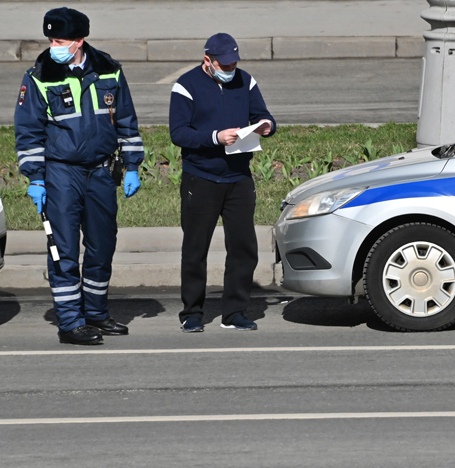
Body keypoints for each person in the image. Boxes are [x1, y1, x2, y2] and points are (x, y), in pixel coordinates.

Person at [14, 7, 144, 345]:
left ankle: (96, 314)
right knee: (64, 249)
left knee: (102, 246)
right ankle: (70, 321)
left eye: (59, 40)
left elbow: (126, 121)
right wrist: (36, 177)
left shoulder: (109, 71)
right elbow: (28, 130)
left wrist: (131, 166)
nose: (53, 45)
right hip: (61, 174)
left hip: (101, 172)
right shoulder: (40, 76)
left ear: (79, 41)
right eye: (51, 39)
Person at [169, 33, 276, 333]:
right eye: (224, 65)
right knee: (195, 248)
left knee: (244, 247)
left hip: (239, 178)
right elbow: (178, 133)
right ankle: (192, 311)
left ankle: (235, 311)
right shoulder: (185, 86)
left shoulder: (246, 81)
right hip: (200, 178)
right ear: (208, 60)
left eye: (234, 64)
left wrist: (267, 125)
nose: (230, 70)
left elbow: (262, 114)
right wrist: (215, 137)